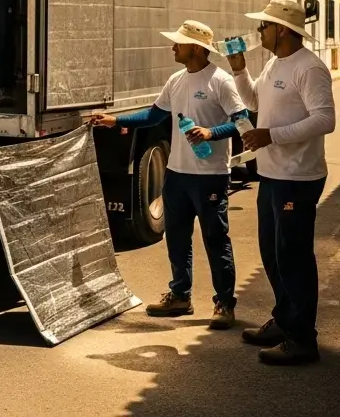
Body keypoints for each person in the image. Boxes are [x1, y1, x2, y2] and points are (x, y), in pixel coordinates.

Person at [91, 21, 250, 330]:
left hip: (210, 176)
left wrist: (211, 132)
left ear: (197, 48)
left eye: (179, 42)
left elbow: (243, 123)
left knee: (215, 240)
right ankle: (180, 295)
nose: (173, 47)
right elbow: (153, 115)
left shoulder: (221, 81)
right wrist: (115, 120)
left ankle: (224, 304)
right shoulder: (176, 80)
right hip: (176, 175)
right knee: (177, 238)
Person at [227, 0, 336, 366]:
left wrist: (271, 136)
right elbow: (253, 101)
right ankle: (285, 319)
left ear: (283, 30)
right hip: (273, 174)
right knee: (273, 254)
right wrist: (240, 71)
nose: (260, 32)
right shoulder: (276, 62)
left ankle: (303, 339)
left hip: (298, 177)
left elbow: (324, 120)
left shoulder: (310, 68)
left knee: (293, 257)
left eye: (265, 26)